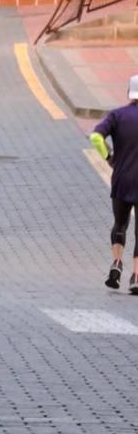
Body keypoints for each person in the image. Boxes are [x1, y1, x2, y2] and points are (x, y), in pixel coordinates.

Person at [91, 74, 138, 294]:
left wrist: (109, 158)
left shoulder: (117, 115)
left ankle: (117, 264)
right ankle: (137, 276)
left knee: (120, 224)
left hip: (121, 179)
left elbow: (96, 138)